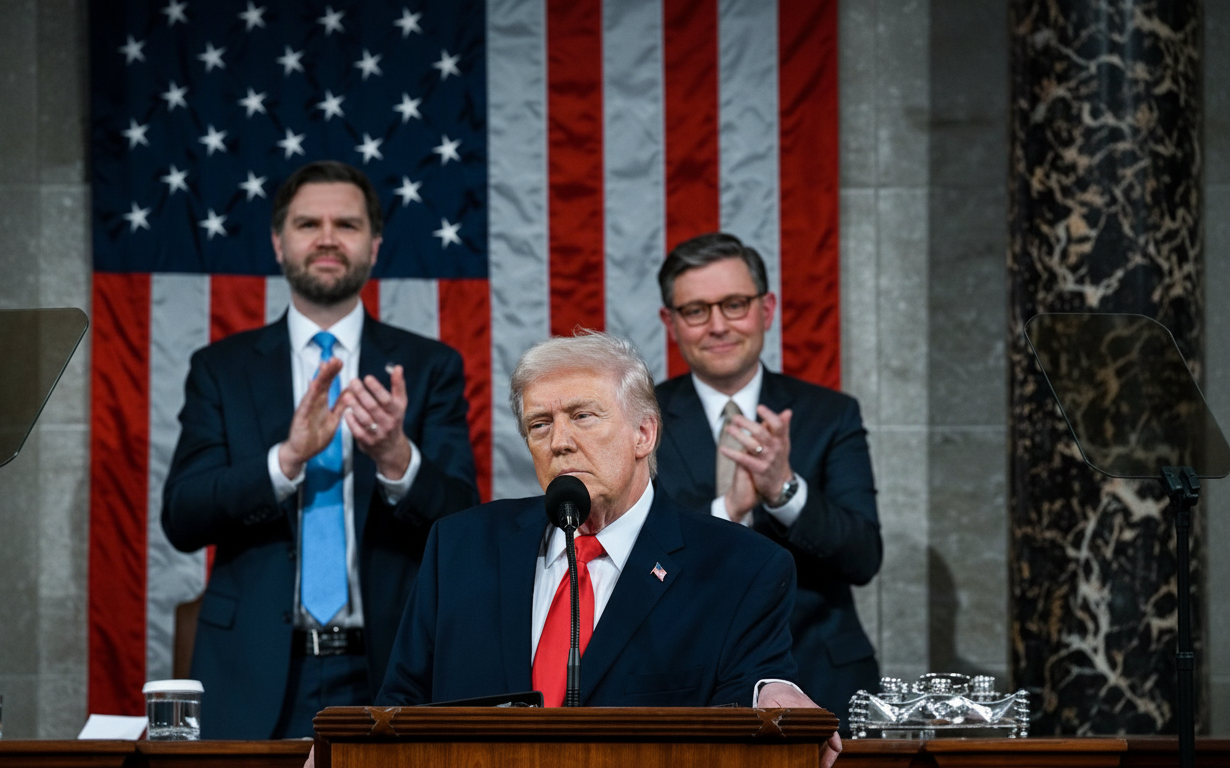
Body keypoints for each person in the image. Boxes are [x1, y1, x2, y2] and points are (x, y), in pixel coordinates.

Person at [375, 332, 840, 767]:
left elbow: (754, 691)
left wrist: (774, 692)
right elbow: (400, 705)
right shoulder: (460, 547)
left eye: (582, 416)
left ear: (644, 434)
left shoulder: (740, 567)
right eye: (540, 424)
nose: (559, 442)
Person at [161, 161, 480, 739]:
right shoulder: (221, 370)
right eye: (309, 223)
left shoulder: (431, 367)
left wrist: (396, 460)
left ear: (375, 246)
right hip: (252, 670)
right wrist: (284, 460)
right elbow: (182, 516)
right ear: (279, 243)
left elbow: (464, 521)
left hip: (391, 669)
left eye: (347, 225)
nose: (328, 237)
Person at [655, 232, 881, 729]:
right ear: (670, 323)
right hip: (685, 682)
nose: (718, 326)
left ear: (767, 308)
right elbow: (629, 555)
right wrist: (726, 512)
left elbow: (864, 557)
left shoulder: (830, 414)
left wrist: (784, 490)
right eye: (696, 311)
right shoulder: (640, 420)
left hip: (820, 678)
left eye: (734, 304)